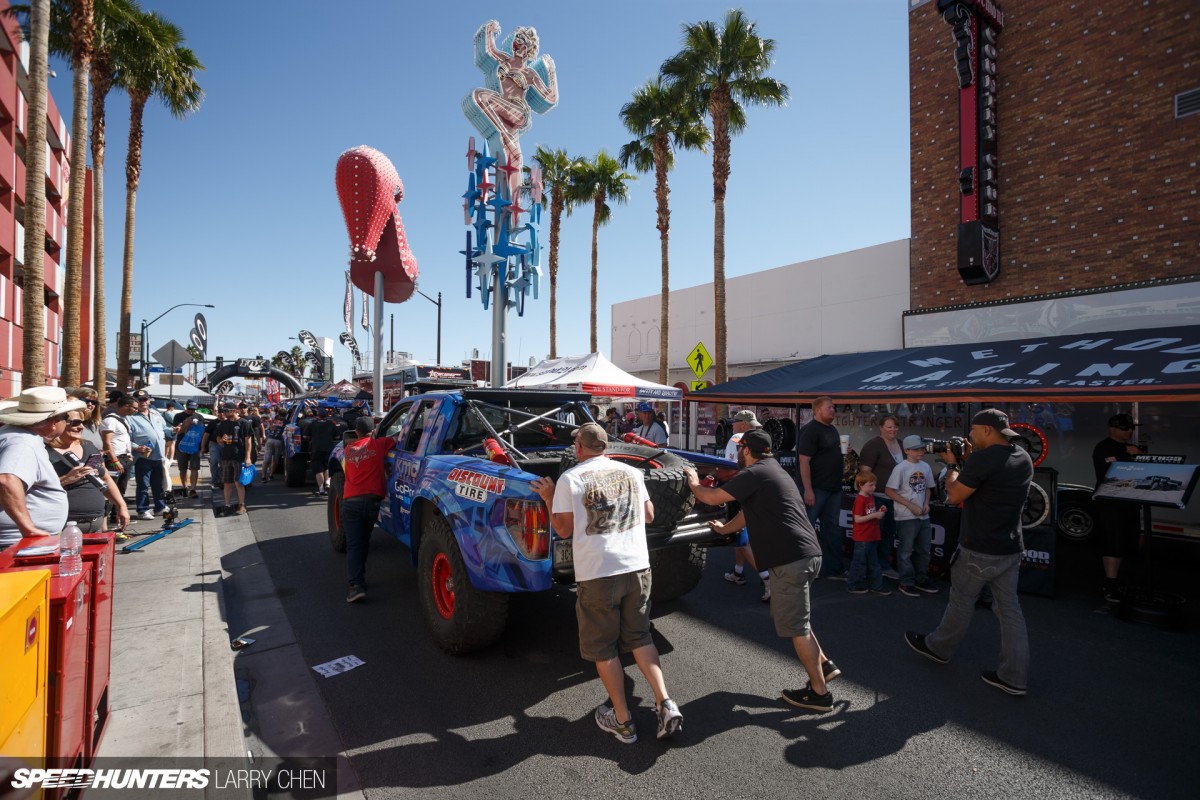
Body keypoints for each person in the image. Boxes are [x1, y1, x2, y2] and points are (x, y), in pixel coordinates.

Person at [531, 423, 683, 743]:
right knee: (640, 637)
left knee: (603, 647)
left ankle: (623, 720)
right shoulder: (631, 473)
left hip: (599, 572)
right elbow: (650, 515)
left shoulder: (570, 479)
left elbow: (562, 529)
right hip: (637, 566)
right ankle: (665, 703)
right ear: (605, 446)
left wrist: (547, 497)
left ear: (579, 448)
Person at [684, 429, 840, 713]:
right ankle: (824, 665)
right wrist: (725, 529)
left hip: (791, 559)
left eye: (739, 450)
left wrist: (694, 483)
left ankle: (820, 693)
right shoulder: (773, 470)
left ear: (745, 450)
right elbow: (747, 513)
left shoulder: (753, 473)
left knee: (797, 627)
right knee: (800, 620)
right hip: (806, 555)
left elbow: (711, 498)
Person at [905, 409, 1033, 697]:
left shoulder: (983, 459)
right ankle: (1014, 676)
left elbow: (954, 494)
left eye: (974, 430)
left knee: (962, 600)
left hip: (979, 547)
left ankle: (938, 647)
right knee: (1010, 611)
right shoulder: (1022, 457)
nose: (970, 436)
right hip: (1010, 546)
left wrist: (952, 464)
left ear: (987, 430)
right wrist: (967, 460)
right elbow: (989, 483)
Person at [0, 387, 84, 550]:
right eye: (66, 418)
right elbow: (7, 480)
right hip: (17, 544)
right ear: (54, 422)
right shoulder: (24, 442)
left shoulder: (14, 435)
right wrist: (28, 528)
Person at [48, 407, 130, 537]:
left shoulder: (89, 445)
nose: (81, 427)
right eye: (74, 423)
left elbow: (105, 478)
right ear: (57, 422)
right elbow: (33, 490)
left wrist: (121, 506)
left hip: (94, 524)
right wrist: (66, 479)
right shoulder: (44, 451)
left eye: (82, 423)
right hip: (63, 527)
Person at [341, 417, 396, 603]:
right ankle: (359, 580)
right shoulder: (379, 444)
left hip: (351, 502)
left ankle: (356, 585)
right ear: (373, 431)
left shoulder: (348, 450)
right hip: (373, 501)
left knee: (355, 544)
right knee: (363, 541)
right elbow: (399, 437)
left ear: (356, 432)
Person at [1092, 413, 1143, 601]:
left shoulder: (1134, 448)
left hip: (1131, 502)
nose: (1130, 431)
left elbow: (1150, 469)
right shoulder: (1103, 447)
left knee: (1127, 541)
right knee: (1112, 542)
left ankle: (1120, 579)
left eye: (1132, 428)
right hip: (1110, 503)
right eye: (1125, 428)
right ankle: (1110, 583)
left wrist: (1141, 455)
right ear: (1112, 428)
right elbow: (1112, 474)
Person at [721, 410, 771, 601]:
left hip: (740, 490)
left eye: (735, 422)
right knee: (745, 536)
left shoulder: (737, 437)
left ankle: (767, 579)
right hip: (758, 488)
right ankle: (738, 571)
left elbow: (731, 466)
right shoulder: (762, 436)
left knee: (740, 537)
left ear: (742, 424)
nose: (733, 425)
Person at [797, 396, 847, 579]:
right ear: (817, 410)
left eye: (834, 407)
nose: (833, 410)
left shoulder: (832, 429)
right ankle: (803, 569)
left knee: (832, 529)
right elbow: (804, 462)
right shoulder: (810, 431)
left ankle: (834, 569)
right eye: (829, 407)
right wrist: (808, 489)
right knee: (807, 528)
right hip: (816, 488)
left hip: (833, 488)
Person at [887, 434, 938, 598]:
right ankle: (906, 581)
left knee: (924, 550)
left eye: (922, 448)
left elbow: (928, 488)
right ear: (907, 450)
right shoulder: (901, 468)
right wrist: (910, 505)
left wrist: (926, 503)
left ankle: (921, 578)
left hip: (923, 515)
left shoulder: (925, 466)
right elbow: (889, 490)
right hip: (906, 515)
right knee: (906, 550)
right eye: (916, 449)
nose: (921, 451)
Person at [857, 414, 902, 578]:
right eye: (889, 427)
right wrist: (865, 497)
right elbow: (864, 474)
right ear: (881, 427)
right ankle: (870, 568)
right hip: (877, 497)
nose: (893, 430)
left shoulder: (902, 444)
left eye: (895, 427)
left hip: (896, 498)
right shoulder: (873, 445)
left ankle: (883, 566)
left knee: (889, 534)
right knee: (874, 534)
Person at [847, 471, 890, 595]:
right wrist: (875, 514)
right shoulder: (860, 500)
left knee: (873, 563)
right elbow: (858, 519)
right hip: (863, 537)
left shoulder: (869, 496)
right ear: (861, 485)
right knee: (859, 563)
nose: (874, 487)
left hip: (871, 535)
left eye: (874, 485)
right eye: (870, 485)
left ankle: (877, 586)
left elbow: (869, 513)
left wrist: (879, 511)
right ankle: (853, 585)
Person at [127, 391, 168, 520]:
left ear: (149, 401)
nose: (143, 402)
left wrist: (174, 430)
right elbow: (126, 438)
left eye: (145, 399)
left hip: (158, 455)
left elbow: (164, 429)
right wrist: (136, 447)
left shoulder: (156, 413)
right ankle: (142, 509)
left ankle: (159, 507)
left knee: (158, 484)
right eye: (139, 399)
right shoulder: (130, 417)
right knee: (143, 484)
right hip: (143, 457)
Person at [213, 403, 252, 515]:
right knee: (227, 483)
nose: (224, 412)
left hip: (239, 457)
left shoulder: (244, 423)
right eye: (224, 410)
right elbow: (218, 438)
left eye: (227, 410)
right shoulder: (223, 424)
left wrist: (248, 457)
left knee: (238, 483)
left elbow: (248, 441)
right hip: (226, 456)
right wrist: (221, 440)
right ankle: (227, 505)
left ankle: (241, 505)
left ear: (234, 411)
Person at [101, 396, 137, 502]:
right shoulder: (110, 420)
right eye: (134, 408)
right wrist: (115, 461)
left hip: (124, 458)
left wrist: (129, 454)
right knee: (112, 490)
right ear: (126, 406)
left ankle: (117, 516)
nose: (136, 410)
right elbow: (106, 442)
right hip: (114, 459)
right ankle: (109, 516)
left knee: (121, 489)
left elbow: (123, 439)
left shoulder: (123, 419)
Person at [172, 400, 204, 498]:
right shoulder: (178, 416)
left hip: (194, 446)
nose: (191, 411)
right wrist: (185, 425)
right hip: (182, 446)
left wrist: (202, 447)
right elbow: (176, 432)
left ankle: (193, 489)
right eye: (189, 409)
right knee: (183, 468)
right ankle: (184, 486)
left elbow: (202, 432)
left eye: (193, 409)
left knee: (194, 467)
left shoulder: (199, 417)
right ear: (186, 407)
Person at [308, 407, 342, 496]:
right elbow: (338, 436)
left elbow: (305, 436)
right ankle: (327, 482)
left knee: (318, 469)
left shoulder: (312, 424)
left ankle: (321, 489)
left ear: (317, 415)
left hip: (316, 448)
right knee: (327, 467)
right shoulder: (331, 424)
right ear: (327, 415)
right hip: (329, 448)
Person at [67, 387, 105, 451]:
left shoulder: (94, 424)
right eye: (85, 401)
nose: (90, 404)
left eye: (93, 402)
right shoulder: (67, 422)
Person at [202, 407, 226, 490]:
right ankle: (215, 481)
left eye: (223, 412)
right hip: (214, 444)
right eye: (220, 412)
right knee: (214, 461)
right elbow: (206, 435)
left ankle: (222, 480)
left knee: (223, 463)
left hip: (225, 445)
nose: (222, 413)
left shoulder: (229, 422)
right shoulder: (213, 422)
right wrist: (203, 446)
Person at [262, 409, 286, 482]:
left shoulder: (274, 420)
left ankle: (263, 476)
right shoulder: (287, 422)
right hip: (278, 440)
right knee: (275, 460)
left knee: (266, 459)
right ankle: (271, 475)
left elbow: (270, 427)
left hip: (270, 439)